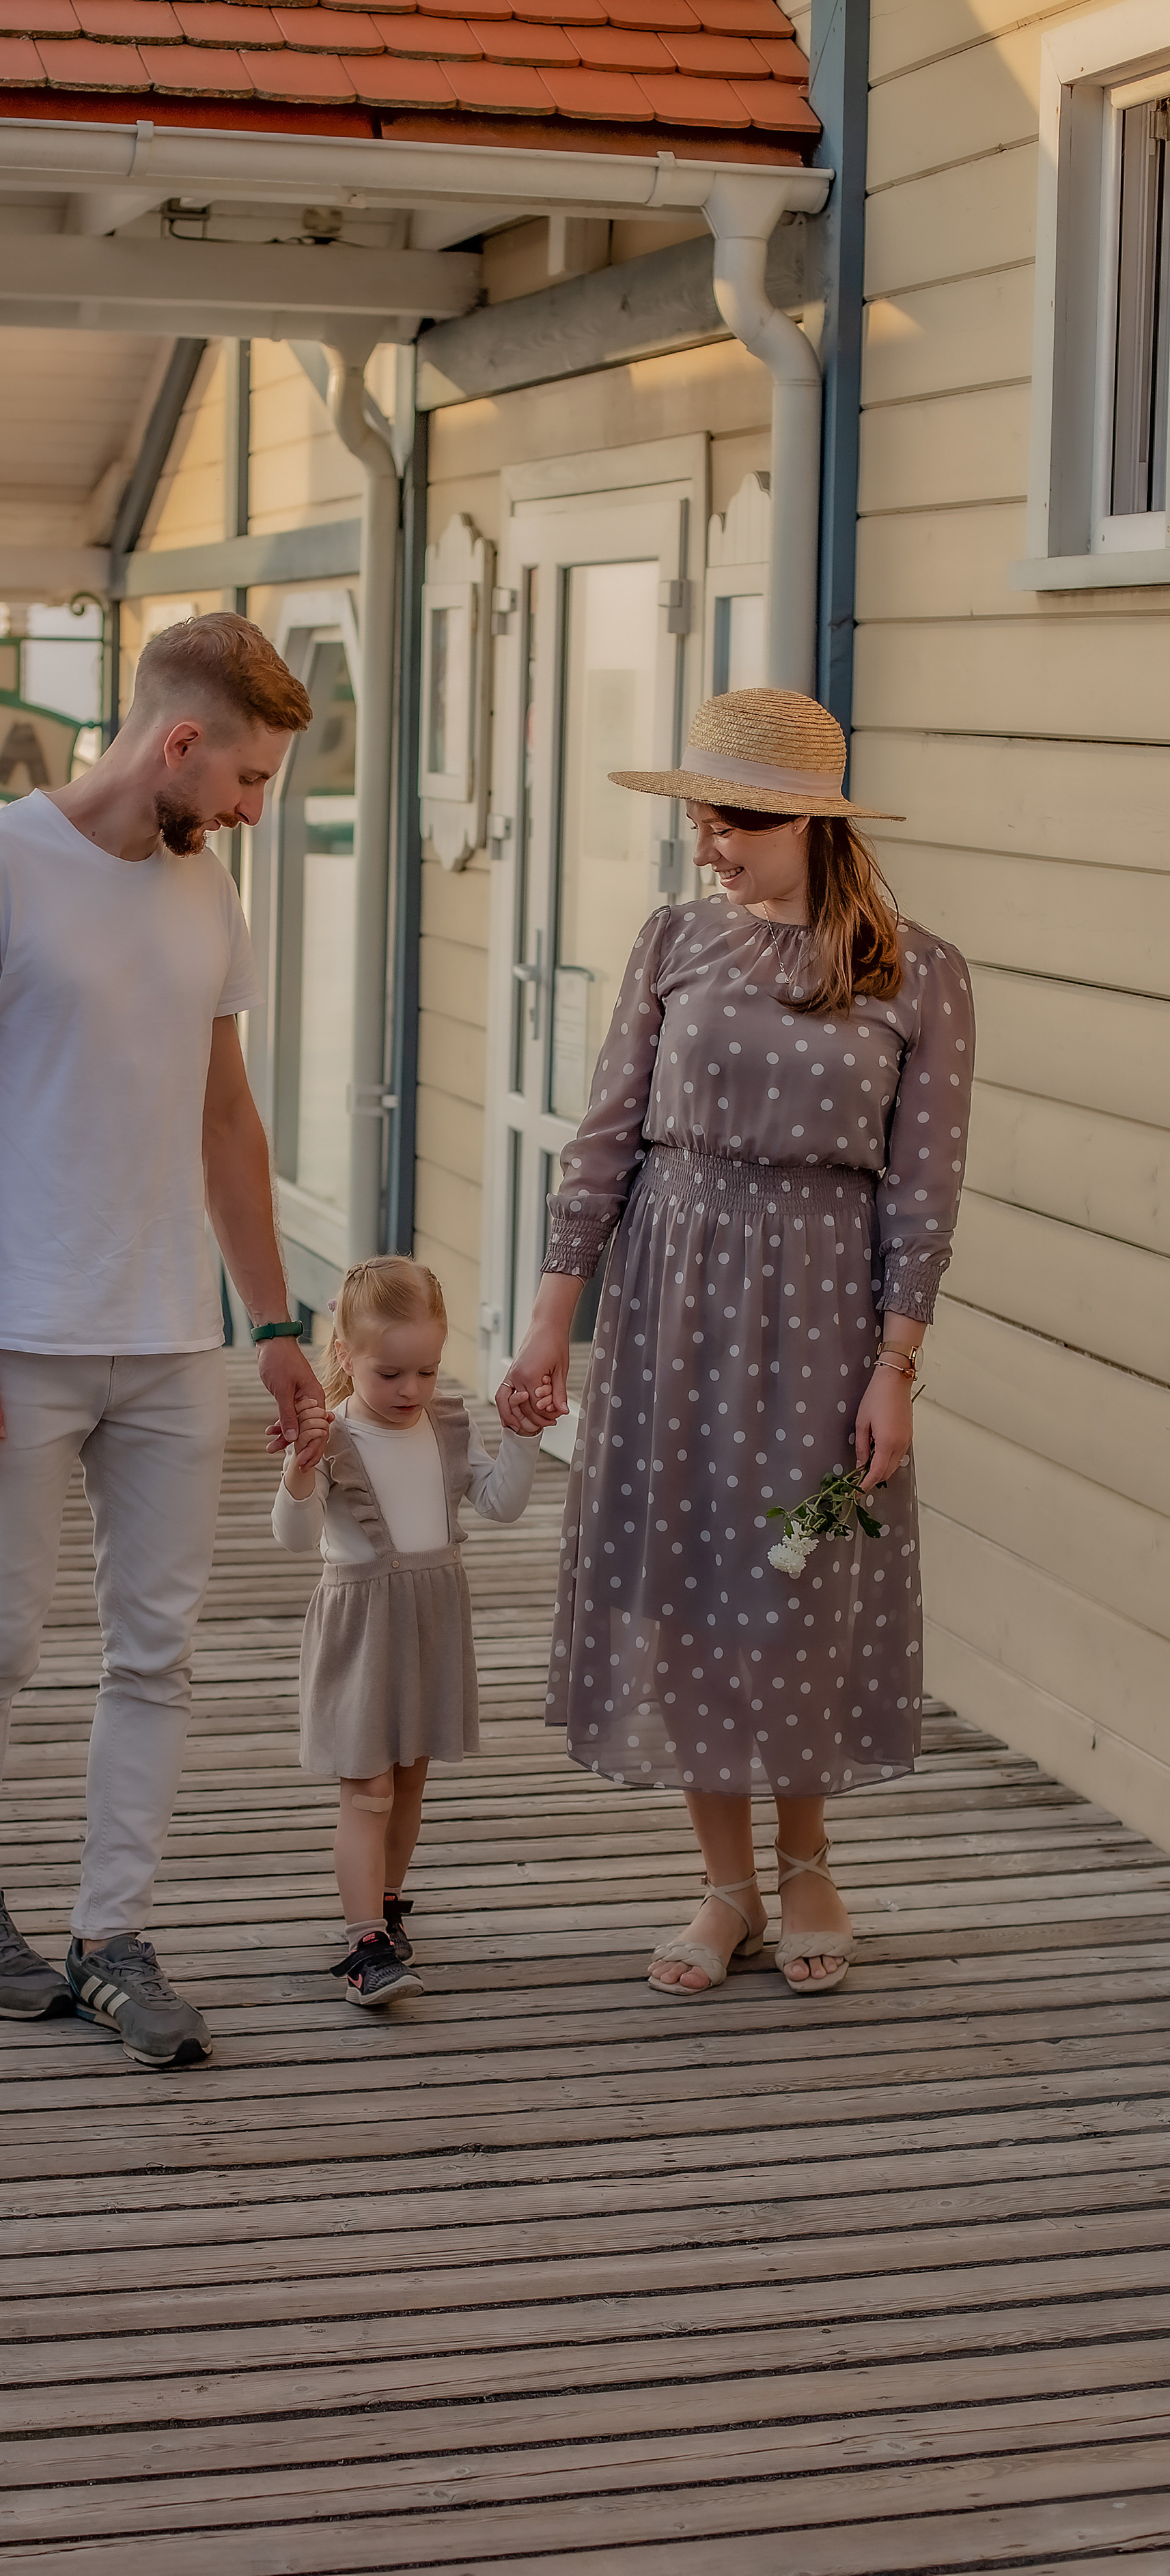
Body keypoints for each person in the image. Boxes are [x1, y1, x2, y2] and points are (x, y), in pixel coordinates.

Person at [0, 611, 326, 2071]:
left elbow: (224, 1121)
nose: (256, 811)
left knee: (156, 1651)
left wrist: (268, 1323)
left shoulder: (205, 898)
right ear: (181, 743)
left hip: (165, 1339)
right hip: (13, 1335)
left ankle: (111, 1934)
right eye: (251, 780)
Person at [499, 688, 973, 1998]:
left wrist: (897, 1366)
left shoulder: (917, 972)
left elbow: (923, 1193)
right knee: (691, 1584)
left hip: (824, 1308)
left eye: (730, 823)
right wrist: (552, 1324)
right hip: (672, 1299)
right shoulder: (673, 943)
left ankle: (809, 1859)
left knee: (801, 1585)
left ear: (809, 823)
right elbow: (603, 1141)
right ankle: (725, 1885)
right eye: (702, 819)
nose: (708, 845)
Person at [273, 1258, 540, 2007]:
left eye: (426, 1371)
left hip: (432, 1613)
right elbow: (293, 1538)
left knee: (411, 1775)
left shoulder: (447, 1425)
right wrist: (300, 1472)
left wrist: (522, 1438)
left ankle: (386, 1902)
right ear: (344, 1356)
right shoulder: (332, 1435)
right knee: (366, 1787)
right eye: (390, 1374)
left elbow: (500, 1504)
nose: (411, 1391)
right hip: (361, 1623)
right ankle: (364, 1943)